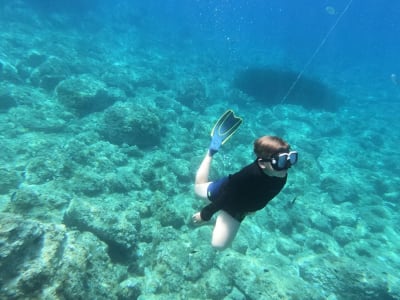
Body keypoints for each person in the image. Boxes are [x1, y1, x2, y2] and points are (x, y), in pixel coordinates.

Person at [193, 110, 298, 250]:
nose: (287, 165)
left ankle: (221, 215)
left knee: (219, 245)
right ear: (262, 163)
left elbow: (269, 194)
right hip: (225, 192)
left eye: (290, 158)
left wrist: (252, 209)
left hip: (240, 207)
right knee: (197, 189)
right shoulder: (248, 175)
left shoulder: (281, 174)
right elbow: (226, 196)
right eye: (281, 161)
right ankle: (211, 151)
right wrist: (204, 215)